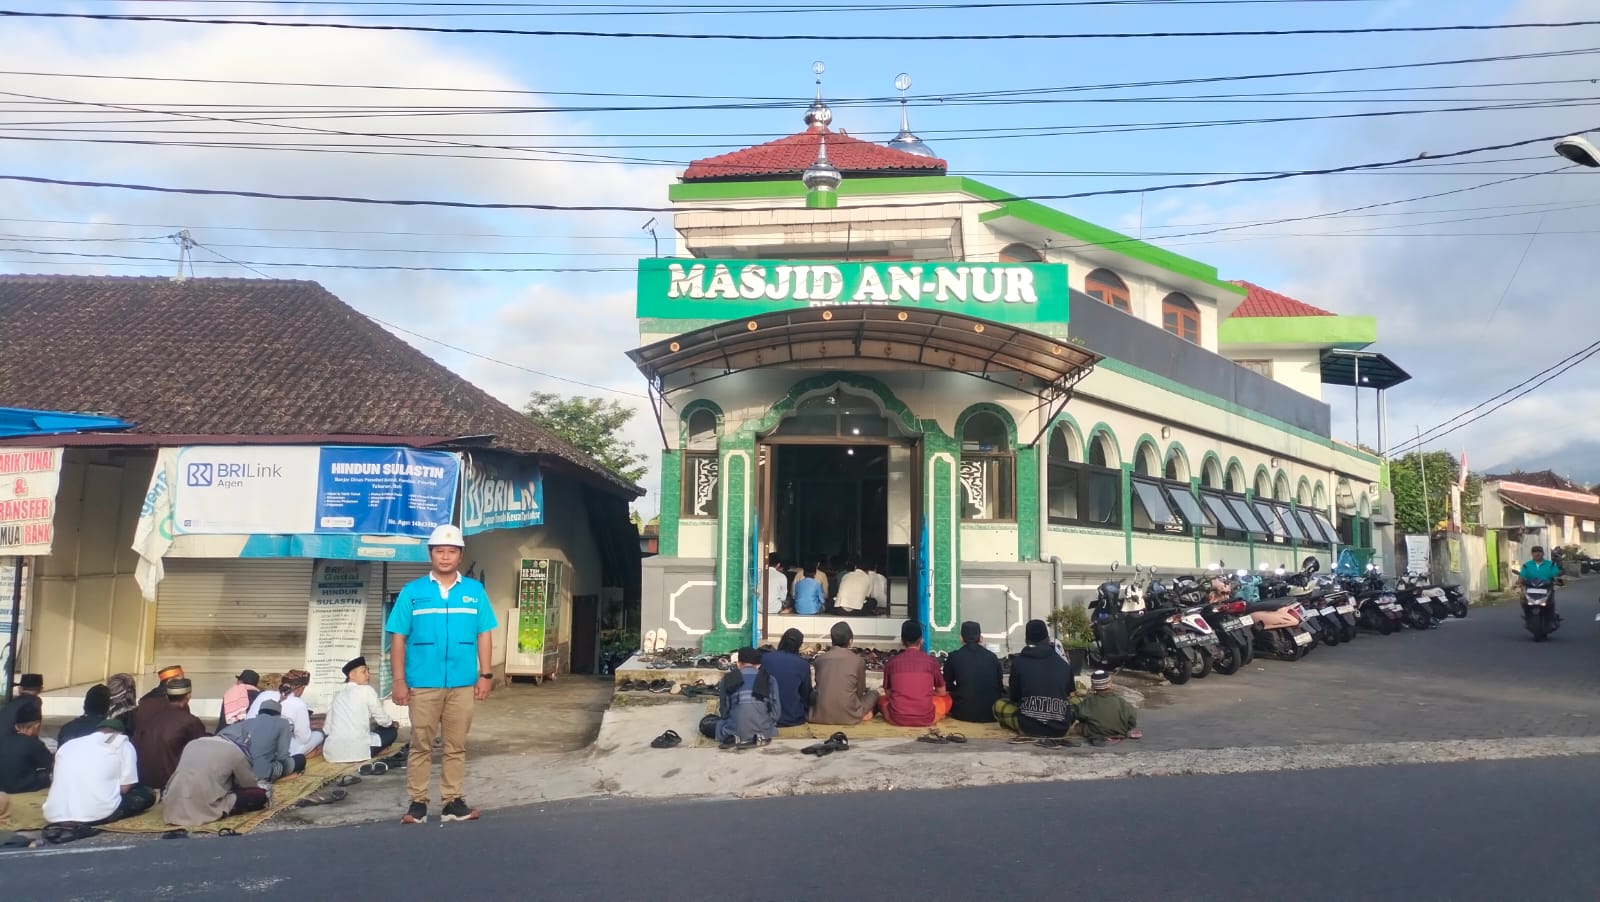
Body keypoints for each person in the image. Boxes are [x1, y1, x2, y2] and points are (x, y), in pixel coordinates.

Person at [387, 523, 498, 825]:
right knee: (420, 744)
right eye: (440, 551)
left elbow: (484, 633)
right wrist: (398, 680)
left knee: (455, 745)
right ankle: (418, 803)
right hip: (422, 683)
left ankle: (452, 802)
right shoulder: (413, 592)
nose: (445, 557)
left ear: (460, 555)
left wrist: (485, 675)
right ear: (431, 554)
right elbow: (397, 637)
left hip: (462, 683)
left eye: (451, 551)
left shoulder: (474, 592)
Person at [42, 718, 155, 827]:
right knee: (146, 794)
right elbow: (125, 787)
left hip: (54, 815)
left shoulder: (70, 744)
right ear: (119, 733)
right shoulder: (120, 741)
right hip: (96, 815)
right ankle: (101, 814)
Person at [161, 734, 268, 828]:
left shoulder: (192, 744)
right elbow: (249, 784)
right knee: (259, 795)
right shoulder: (235, 752)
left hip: (173, 805)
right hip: (204, 805)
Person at [994, 620, 1075, 739]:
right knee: (1076, 702)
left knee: (998, 704)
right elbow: (1068, 694)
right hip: (1060, 728)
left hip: (1028, 726)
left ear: (1026, 640)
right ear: (1048, 639)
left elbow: (1015, 697)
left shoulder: (1018, 662)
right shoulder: (1063, 663)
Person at [132, 677, 206, 791]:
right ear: (188, 696)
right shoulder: (191, 722)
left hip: (145, 780)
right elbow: (202, 751)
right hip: (171, 782)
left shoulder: (152, 719)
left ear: (167, 696)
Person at [877, 620, 952, 727]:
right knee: (947, 699)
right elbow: (941, 692)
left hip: (897, 718)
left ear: (902, 641)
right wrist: (927, 693)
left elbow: (889, 694)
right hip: (927, 718)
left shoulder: (891, 663)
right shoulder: (931, 662)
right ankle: (938, 715)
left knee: (881, 700)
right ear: (921, 640)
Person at [323, 656, 397, 763]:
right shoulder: (366, 690)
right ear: (352, 675)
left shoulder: (338, 695)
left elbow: (327, 729)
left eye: (368, 671)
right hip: (359, 752)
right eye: (364, 671)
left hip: (332, 754)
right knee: (391, 731)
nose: (368, 674)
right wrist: (392, 724)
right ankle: (379, 750)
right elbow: (382, 719)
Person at [809, 621, 879, 725]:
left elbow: (819, 686)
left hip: (820, 715)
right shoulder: (858, 661)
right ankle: (864, 713)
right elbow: (859, 692)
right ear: (850, 641)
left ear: (832, 641)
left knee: (814, 694)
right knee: (874, 694)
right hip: (849, 715)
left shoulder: (819, 660)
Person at [711, 647, 781, 749]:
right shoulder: (769, 679)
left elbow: (724, 712)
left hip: (734, 729)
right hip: (764, 730)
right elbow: (776, 713)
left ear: (739, 664)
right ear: (758, 665)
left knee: (706, 723)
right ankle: (760, 736)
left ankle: (734, 737)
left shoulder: (727, 679)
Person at [220, 698, 298, 782]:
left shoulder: (246, 722)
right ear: (278, 715)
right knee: (299, 759)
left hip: (234, 772)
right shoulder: (283, 723)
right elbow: (282, 756)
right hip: (259, 773)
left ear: (259, 713)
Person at [943, 621, 1003, 723]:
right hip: (991, 712)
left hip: (963, 713)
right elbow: (999, 685)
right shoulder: (992, 657)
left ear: (961, 638)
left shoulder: (954, 657)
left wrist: (960, 689)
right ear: (981, 638)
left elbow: (946, 685)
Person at [760, 629, 813, 728]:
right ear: (799, 646)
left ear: (782, 640)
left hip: (766, 716)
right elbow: (806, 694)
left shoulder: (766, 658)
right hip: (793, 717)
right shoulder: (803, 664)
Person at [1074, 670, 1141, 746]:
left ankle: (1098, 735)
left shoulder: (1089, 701)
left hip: (1094, 731)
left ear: (1092, 687)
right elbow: (1132, 721)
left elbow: (1077, 715)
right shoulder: (1122, 702)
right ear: (1110, 684)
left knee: (1077, 727)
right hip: (1120, 732)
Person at [0, 697, 51, 793]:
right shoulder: (32, 743)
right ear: (37, 725)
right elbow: (50, 763)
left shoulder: (3, 739)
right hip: (22, 788)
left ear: (16, 725)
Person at [273, 671, 324, 758]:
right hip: (279, 752)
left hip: (254, 748)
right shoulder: (298, 703)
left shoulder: (264, 695)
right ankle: (303, 755)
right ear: (301, 688)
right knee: (319, 735)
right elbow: (304, 739)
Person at [1517, 545, 1565, 615]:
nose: (1537, 554)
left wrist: (1557, 580)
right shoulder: (1527, 565)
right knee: (1523, 600)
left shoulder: (1550, 564)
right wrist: (1519, 583)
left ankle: (1552, 615)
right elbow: (1522, 576)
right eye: (1535, 552)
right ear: (1532, 554)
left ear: (1543, 553)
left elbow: (1556, 575)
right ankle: (1526, 614)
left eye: (1539, 552)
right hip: (1531, 588)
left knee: (1550, 603)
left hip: (1546, 587)